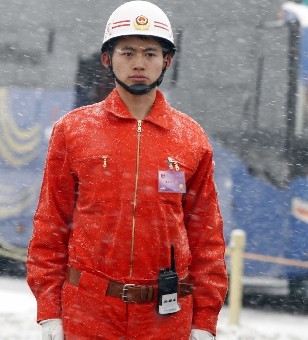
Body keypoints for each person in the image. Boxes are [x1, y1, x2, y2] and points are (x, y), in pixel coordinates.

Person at [26, 1, 227, 339]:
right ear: (107, 59)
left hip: (165, 319)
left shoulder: (190, 138)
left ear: (167, 61)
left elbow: (206, 237)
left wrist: (204, 321)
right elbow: (51, 225)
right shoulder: (73, 130)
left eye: (150, 54)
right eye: (127, 52)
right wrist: (50, 312)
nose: (138, 63)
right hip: (88, 314)